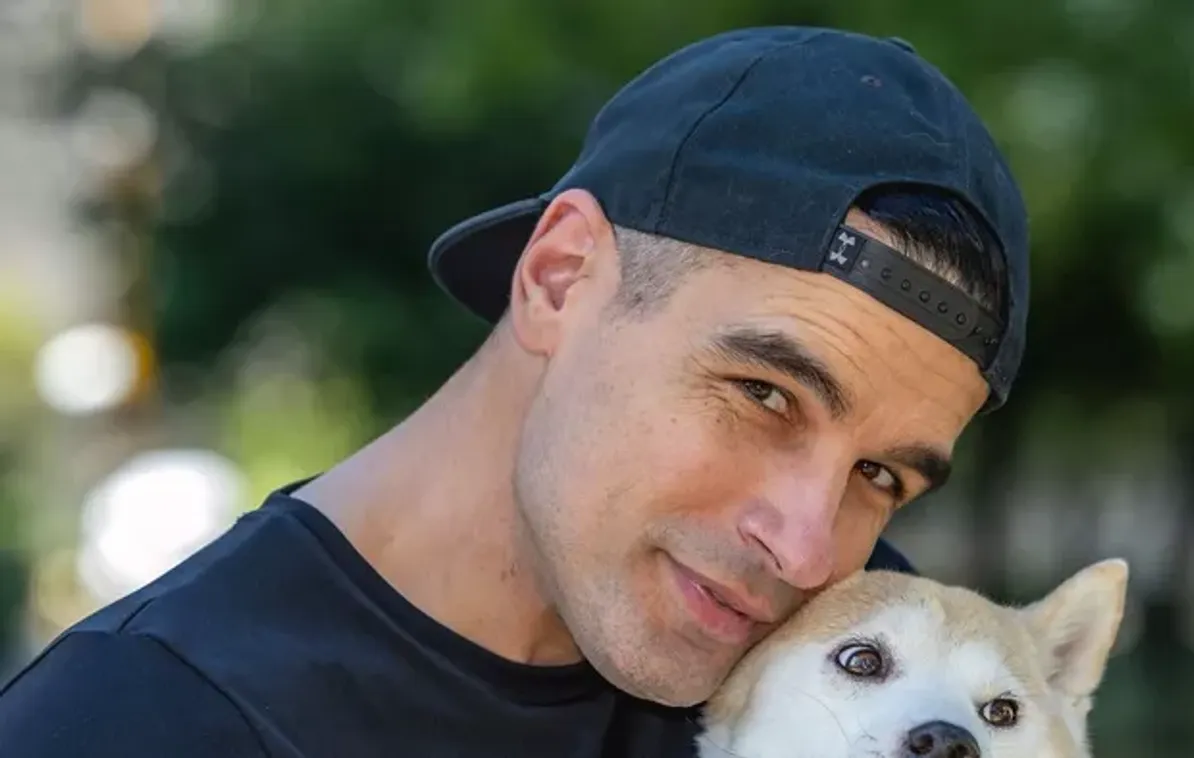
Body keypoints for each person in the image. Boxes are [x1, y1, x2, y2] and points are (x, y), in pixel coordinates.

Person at [0, 25, 1029, 757]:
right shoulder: (147, 721)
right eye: (764, 394)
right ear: (560, 277)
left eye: (879, 475)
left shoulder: (852, 670)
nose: (804, 550)